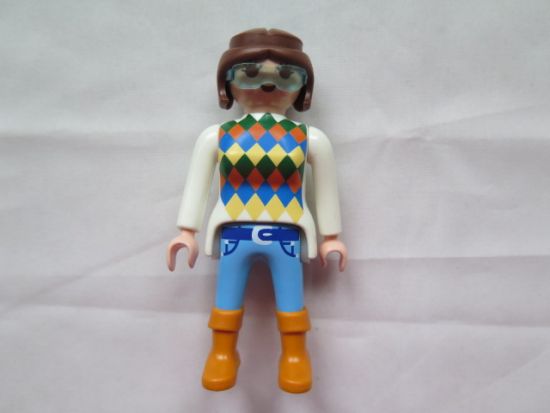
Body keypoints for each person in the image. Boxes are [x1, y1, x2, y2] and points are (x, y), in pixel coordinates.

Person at [167, 28, 347, 394]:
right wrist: (187, 230)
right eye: (249, 74)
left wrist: (331, 236)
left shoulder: (309, 139)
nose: (268, 85)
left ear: (303, 86)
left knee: (291, 299)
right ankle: (222, 351)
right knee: (227, 296)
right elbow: (197, 185)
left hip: (286, 234)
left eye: (286, 75)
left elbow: (326, 188)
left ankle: (294, 354)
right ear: (227, 84)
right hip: (234, 233)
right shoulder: (217, 137)